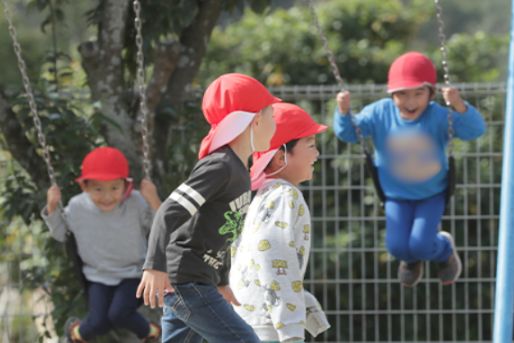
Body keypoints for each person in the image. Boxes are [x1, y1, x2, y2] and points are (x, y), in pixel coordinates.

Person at [136, 73, 281, 343]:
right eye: (272, 115)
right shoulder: (220, 166)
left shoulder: (239, 171)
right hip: (186, 281)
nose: (275, 124)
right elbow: (169, 211)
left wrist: (222, 281)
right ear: (256, 120)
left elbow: (223, 231)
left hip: (198, 280)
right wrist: (154, 266)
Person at [333, 51, 486, 287]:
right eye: (402, 94)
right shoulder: (380, 113)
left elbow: (474, 130)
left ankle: (443, 249)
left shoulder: (438, 115)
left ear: (431, 93)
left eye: (418, 93)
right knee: (396, 247)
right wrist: (343, 113)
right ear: (391, 94)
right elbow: (351, 133)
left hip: (432, 194)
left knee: (422, 245)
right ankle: (410, 260)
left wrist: (458, 104)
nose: (411, 102)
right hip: (395, 195)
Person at [230, 102, 330, 343]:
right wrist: (291, 329)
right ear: (280, 156)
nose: (317, 154)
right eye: (311, 146)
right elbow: (272, 258)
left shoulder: (264, 196)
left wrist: (303, 304)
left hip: (249, 316)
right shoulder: (286, 196)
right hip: (270, 326)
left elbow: (269, 260)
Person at [42, 146, 162, 342]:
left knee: (119, 314)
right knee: (99, 323)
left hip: (133, 273)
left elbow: (161, 227)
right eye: (98, 189)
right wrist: (52, 207)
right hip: (97, 275)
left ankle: (151, 332)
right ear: (85, 187)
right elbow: (60, 233)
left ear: (125, 185)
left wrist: (154, 200)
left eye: (114, 188)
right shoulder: (77, 206)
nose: (107, 196)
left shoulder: (136, 202)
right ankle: (75, 333)